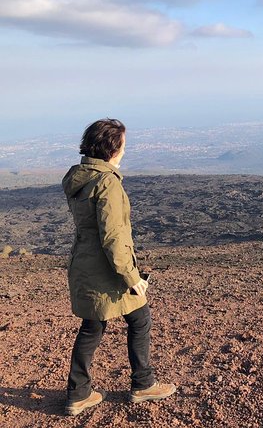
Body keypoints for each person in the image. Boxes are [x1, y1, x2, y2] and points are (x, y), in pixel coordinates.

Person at [62, 119, 176, 416]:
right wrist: (131, 276)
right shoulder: (107, 182)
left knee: (93, 325)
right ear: (113, 147)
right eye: (123, 144)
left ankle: (78, 393)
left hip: (84, 264)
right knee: (140, 318)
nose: (125, 149)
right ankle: (143, 384)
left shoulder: (79, 176)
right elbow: (113, 236)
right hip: (108, 270)